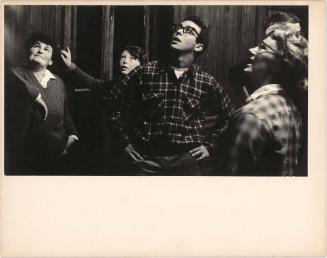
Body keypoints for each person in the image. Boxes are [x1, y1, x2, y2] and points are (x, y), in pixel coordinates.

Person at [111, 16, 235, 176]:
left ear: (198, 46)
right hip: (147, 159)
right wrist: (124, 143)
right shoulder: (146, 71)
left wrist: (209, 146)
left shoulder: (207, 81)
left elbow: (230, 117)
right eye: (177, 28)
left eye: (188, 31)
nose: (178, 32)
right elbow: (112, 103)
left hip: (186, 162)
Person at [220, 29, 308, 176]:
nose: (252, 50)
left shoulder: (252, 116)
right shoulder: (289, 107)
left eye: (262, 47)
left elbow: (230, 184)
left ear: (277, 65)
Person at [60, 45, 147, 173]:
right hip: (116, 144)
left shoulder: (143, 84)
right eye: (123, 57)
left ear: (141, 63)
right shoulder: (118, 83)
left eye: (132, 58)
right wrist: (70, 65)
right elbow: (96, 84)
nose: (125, 61)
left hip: (134, 147)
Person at [5, 33, 79, 174]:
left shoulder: (59, 82)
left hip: (58, 155)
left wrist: (72, 137)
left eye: (46, 49)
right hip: (26, 158)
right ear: (28, 51)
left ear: (51, 60)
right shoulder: (14, 74)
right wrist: (36, 95)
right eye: (36, 46)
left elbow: (66, 114)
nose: (40, 50)